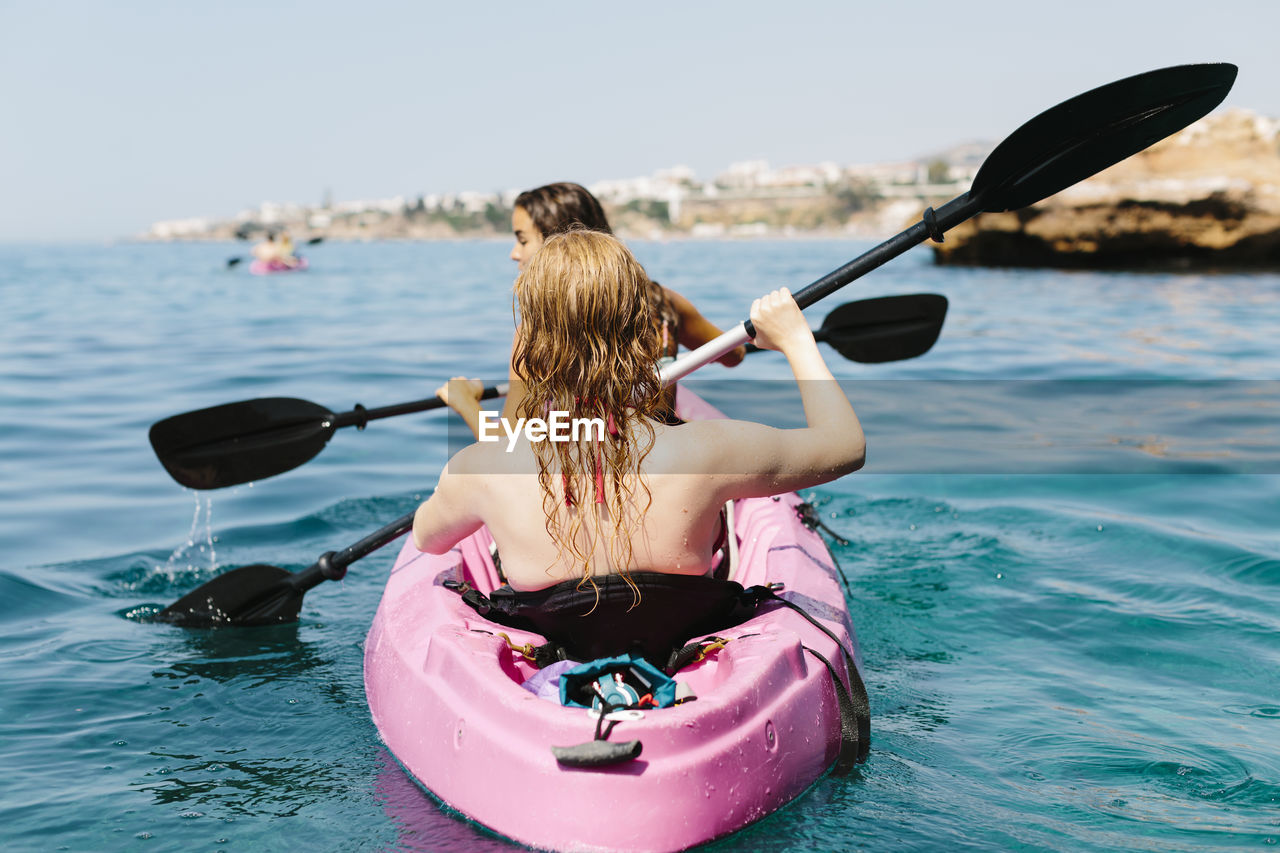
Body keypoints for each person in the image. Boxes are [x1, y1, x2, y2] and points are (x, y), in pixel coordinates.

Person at [413, 230, 864, 595]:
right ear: (644, 338)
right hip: (680, 646)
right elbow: (846, 447)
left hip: (552, 655)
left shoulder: (481, 468)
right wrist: (795, 340)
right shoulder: (711, 449)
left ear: (528, 348)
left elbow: (427, 540)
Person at [452, 182, 743, 437]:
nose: (515, 253)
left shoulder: (536, 332)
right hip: (669, 468)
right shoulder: (665, 303)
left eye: (523, 239)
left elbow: (506, 443)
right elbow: (733, 354)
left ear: (561, 242)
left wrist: (465, 402)